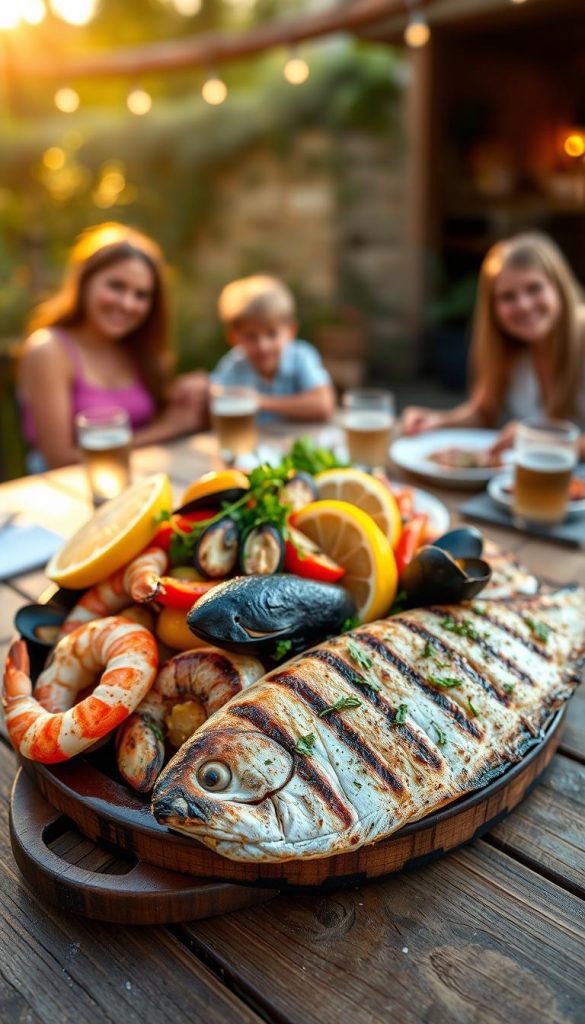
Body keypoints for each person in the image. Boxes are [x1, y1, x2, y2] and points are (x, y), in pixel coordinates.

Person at [18, 222, 208, 469]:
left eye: (141, 295)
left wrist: (187, 393)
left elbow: (158, 414)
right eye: (116, 286)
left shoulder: (135, 347)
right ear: (85, 281)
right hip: (65, 497)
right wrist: (167, 430)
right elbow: (60, 460)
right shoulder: (47, 350)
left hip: (137, 484)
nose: (128, 304)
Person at [402, 233, 585, 455]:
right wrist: (439, 420)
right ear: (493, 309)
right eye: (508, 297)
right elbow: (484, 411)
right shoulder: (514, 348)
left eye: (534, 288)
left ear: (558, 286)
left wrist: (544, 441)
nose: (523, 305)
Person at [212, 274, 335, 423]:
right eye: (251, 337)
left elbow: (323, 404)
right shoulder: (233, 364)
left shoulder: (301, 357)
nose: (263, 346)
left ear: (291, 330)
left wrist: (260, 402)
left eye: (272, 334)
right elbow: (213, 396)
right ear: (233, 337)